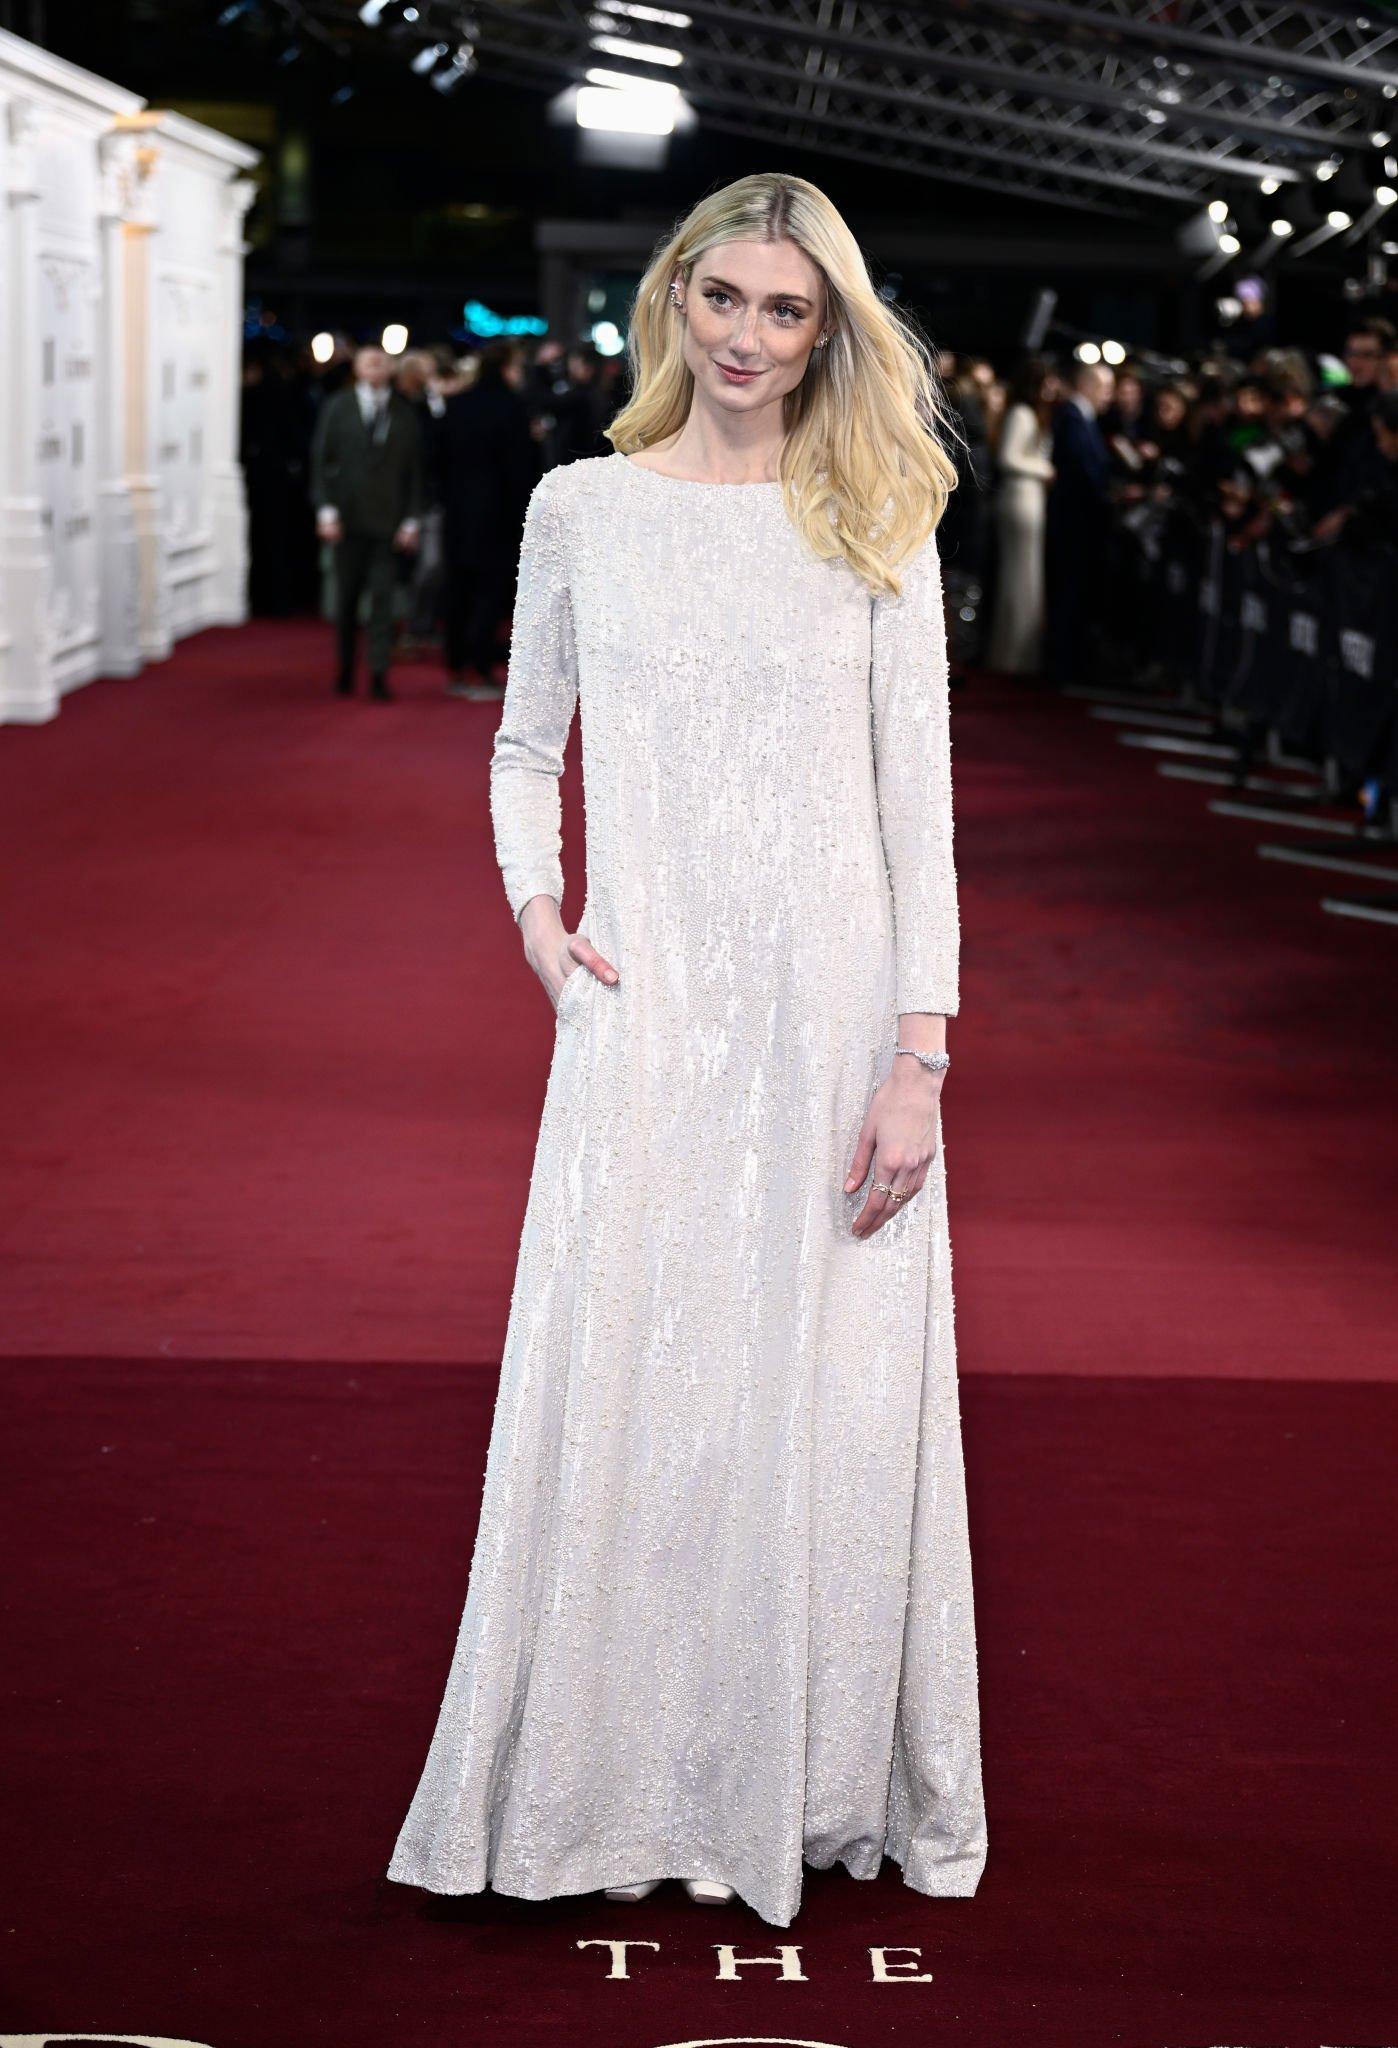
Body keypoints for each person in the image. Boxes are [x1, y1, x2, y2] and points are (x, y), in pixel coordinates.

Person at [386, 171, 988, 1928]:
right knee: (635, 1370)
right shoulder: (579, 505)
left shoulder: (876, 515)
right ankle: (614, 1772)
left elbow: (918, 806)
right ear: (671, 299)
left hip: (832, 1018)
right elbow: (523, 746)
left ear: (824, 333)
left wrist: (919, 1056)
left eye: (785, 310)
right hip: (645, 1015)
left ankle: (801, 1778)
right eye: (722, 298)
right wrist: (537, 920)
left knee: (822, 1386)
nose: (746, 335)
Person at [310, 343, 423, 701]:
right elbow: (321, 460)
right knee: (346, 600)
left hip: (389, 521)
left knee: (383, 601)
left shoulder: (404, 411)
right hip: (347, 519)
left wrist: (412, 519)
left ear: (390, 369)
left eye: (381, 363)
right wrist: (326, 511)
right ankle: (345, 668)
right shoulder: (338, 407)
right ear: (357, 369)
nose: (375, 368)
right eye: (368, 363)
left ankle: (378, 673)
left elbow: (416, 471)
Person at [433, 339, 539, 700]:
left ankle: (456, 665)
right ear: (507, 367)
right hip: (498, 515)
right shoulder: (513, 407)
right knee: (488, 593)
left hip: (457, 513)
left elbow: (437, 459)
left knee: (458, 588)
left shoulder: (456, 404)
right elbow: (520, 469)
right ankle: (479, 666)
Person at [1044, 359, 1114, 688]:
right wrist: (1108, 494)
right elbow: (1081, 471)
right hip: (1073, 525)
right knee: (1068, 594)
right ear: (1087, 385)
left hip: (1078, 523)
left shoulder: (1081, 418)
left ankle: (1067, 665)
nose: (1109, 396)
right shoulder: (1072, 418)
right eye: (1106, 388)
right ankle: (1061, 668)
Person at [986, 356, 1058, 675]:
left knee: (1022, 577)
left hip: (1027, 498)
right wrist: (1044, 469)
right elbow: (1008, 458)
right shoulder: (1022, 413)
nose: (1052, 387)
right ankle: (1012, 657)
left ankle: (1015, 655)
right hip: (1021, 500)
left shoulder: (1027, 413)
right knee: (1019, 577)